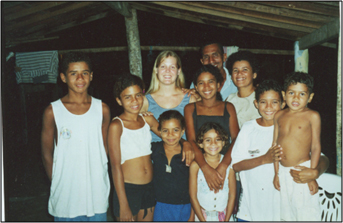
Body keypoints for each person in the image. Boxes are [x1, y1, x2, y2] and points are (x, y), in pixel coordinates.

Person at [108, 74, 193, 222]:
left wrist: (185, 143)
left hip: (149, 188)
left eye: (138, 95)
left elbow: (169, 136)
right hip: (128, 189)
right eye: (128, 97)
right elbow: (115, 167)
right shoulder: (117, 125)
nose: (134, 101)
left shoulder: (146, 119)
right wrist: (123, 203)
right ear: (118, 100)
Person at [41, 52, 111, 221]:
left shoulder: (102, 109)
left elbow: (105, 149)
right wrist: (58, 181)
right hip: (66, 197)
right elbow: (46, 153)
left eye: (85, 73)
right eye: (74, 73)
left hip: (96, 194)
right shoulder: (53, 111)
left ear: (91, 76)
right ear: (63, 77)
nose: (80, 78)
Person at [231, 79, 285, 221]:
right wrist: (264, 159)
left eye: (274, 102)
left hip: (280, 211)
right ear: (256, 104)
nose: (268, 107)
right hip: (250, 211)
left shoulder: (289, 129)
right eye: (263, 102)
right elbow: (236, 165)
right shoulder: (248, 128)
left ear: (283, 104)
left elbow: (321, 158)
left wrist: (315, 172)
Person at [273, 72, 321, 221]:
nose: (295, 98)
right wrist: (276, 173)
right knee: (286, 214)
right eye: (291, 93)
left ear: (310, 97)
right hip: (283, 172)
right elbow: (274, 145)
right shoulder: (279, 115)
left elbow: (315, 147)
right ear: (284, 94)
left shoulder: (312, 116)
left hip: (302, 171)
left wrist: (312, 175)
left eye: (302, 94)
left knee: (305, 213)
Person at [184, 65, 239, 193]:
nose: (206, 87)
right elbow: (191, 140)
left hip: (224, 165)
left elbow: (236, 138)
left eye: (211, 82)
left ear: (218, 85)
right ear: (196, 87)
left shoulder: (228, 107)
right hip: (199, 165)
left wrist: (223, 166)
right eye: (201, 83)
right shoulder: (190, 109)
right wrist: (205, 168)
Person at [141, 51, 197, 142]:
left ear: (178, 71)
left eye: (172, 67)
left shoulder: (189, 98)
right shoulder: (145, 100)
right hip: (155, 154)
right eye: (163, 66)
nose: (167, 71)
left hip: (183, 153)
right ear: (156, 70)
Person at [189, 122, 236, 221]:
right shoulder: (195, 166)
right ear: (200, 144)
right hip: (202, 216)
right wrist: (202, 220)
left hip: (224, 215)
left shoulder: (229, 165)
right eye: (208, 140)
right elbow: (193, 196)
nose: (213, 143)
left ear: (223, 142)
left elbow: (232, 195)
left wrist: (227, 220)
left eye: (218, 139)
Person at [151, 110, 191, 221]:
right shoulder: (154, 149)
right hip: (159, 206)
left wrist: (192, 213)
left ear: (182, 131)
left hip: (184, 206)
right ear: (159, 131)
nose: (170, 135)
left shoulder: (188, 153)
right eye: (165, 130)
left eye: (175, 130)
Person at [225, 51, 261, 128]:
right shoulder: (230, 99)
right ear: (231, 76)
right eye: (235, 70)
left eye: (245, 69)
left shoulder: (261, 97)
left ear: (254, 74)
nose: (239, 73)